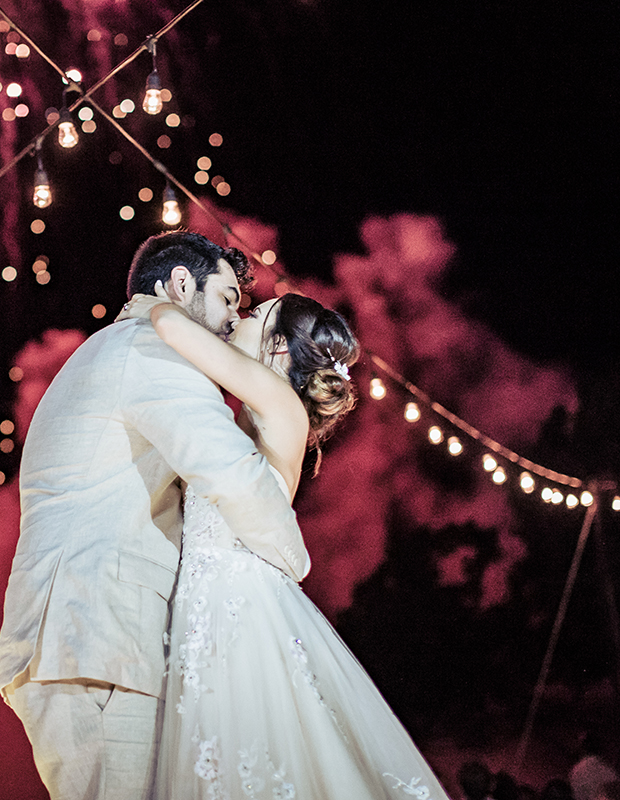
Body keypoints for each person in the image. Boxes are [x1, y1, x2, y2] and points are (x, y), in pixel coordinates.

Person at [0, 232, 310, 800]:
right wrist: (289, 569)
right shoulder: (153, 353)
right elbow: (233, 474)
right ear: (180, 285)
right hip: (95, 642)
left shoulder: (113, 347)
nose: (229, 322)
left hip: (87, 640)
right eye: (227, 300)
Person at [118, 290, 451, 800]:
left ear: (278, 349)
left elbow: (174, 327)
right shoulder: (259, 409)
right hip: (211, 602)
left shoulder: (276, 398)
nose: (239, 317)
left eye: (253, 314)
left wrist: (159, 300)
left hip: (238, 605)